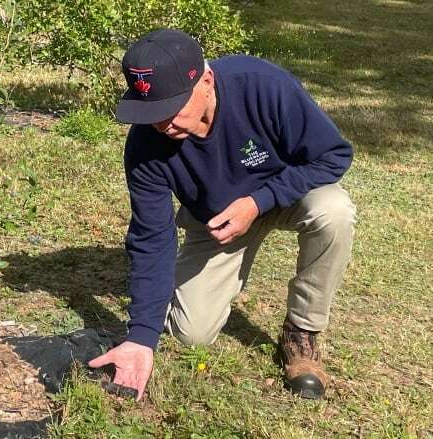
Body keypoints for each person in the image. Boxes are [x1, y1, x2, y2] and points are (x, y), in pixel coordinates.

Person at [88, 29, 356, 400]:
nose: (162, 124)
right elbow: (152, 237)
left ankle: (302, 330)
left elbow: (334, 155)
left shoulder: (264, 86)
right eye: (152, 112)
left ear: (207, 81)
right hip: (215, 222)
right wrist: (141, 338)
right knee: (190, 333)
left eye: (172, 108)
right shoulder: (145, 146)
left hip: (286, 194)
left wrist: (259, 201)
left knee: (334, 211)